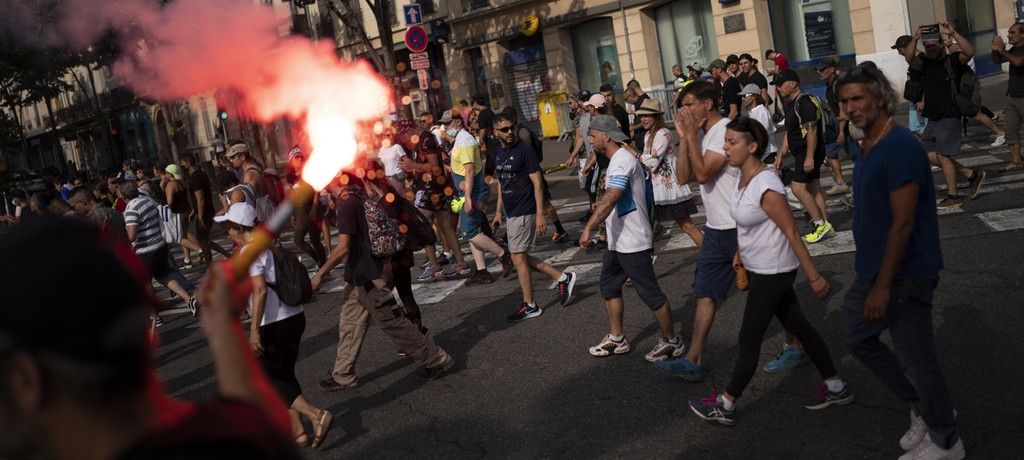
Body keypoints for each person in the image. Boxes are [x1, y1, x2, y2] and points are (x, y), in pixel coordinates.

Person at [0, 217, 302, 460]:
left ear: (26, 379)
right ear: (149, 341)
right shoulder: (241, 441)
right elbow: (254, 424)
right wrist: (224, 326)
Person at [687, 117, 853, 426]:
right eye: (725, 141)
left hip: (774, 271)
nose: (725, 146)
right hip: (760, 267)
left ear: (752, 147)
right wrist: (739, 252)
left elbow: (791, 232)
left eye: (732, 142)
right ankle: (835, 386)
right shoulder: (740, 177)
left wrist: (814, 277)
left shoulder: (766, 184)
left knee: (748, 338)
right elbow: (744, 222)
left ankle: (726, 404)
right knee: (801, 328)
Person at [837, 65, 965, 460]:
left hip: (905, 274)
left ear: (880, 98)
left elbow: (903, 222)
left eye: (857, 99)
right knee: (857, 338)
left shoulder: (901, 146)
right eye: (844, 102)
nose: (850, 108)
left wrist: (882, 285)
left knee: (917, 358)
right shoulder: (867, 145)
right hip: (872, 269)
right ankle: (929, 410)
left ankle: (947, 439)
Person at [310, 169, 456, 391]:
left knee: (393, 323)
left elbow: (343, 247)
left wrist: (320, 274)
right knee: (350, 323)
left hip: (368, 275)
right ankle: (343, 374)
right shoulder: (354, 195)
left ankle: (437, 359)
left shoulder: (347, 202)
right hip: (359, 275)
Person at [215, 203, 333, 449]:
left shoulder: (250, 252)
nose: (227, 234)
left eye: (228, 229)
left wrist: (254, 330)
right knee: (284, 375)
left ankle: (316, 415)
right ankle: (298, 432)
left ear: (239, 228)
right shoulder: (269, 245)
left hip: (275, 323)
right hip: (294, 317)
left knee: (264, 379)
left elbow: (259, 290)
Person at [579, 115, 683, 362]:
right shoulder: (617, 159)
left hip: (634, 240)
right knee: (609, 286)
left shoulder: (622, 160)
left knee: (650, 293)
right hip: (618, 240)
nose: (590, 140)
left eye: (592, 135)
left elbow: (613, 195)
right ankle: (618, 339)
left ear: (606, 136)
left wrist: (589, 227)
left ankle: (672, 342)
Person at [654, 79, 737, 381]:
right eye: (682, 107)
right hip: (716, 229)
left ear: (708, 103)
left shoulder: (725, 132)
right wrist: (685, 139)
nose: (684, 111)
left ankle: (798, 341)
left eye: (689, 105)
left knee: (770, 295)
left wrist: (690, 136)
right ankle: (694, 359)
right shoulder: (701, 134)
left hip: (740, 229)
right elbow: (684, 176)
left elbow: (702, 175)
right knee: (705, 293)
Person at [489, 113, 578, 321]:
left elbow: (537, 183)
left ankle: (530, 305)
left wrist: (539, 214)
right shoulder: (498, 152)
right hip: (511, 212)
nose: (510, 132)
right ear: (495, 132)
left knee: (518, 257)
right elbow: (502, 183)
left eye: (512, 127)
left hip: (525, 209)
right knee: (519, 257)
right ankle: (563, 277)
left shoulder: (524, 150)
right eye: (504, 129)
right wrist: (498, 212)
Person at [902, 21, 986, 209]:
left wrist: (953, 32)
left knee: (943, 154)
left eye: (933, 46)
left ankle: (953, 195)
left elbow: (970, 51)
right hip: (933, 117)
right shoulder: (924, 63)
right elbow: (909, 57)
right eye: (927, 46)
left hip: (950, 114)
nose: (930, 49)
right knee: (928, 155)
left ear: (941, 45)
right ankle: (971, 175)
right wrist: (915, 37)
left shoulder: (953, 61)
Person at [440, 117, 512, 285]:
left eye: (449, 123)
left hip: (473, 192)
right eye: (444, 124)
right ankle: (482, 271)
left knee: (468, 232)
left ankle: (503, 253)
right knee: (473, 231)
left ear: (458, 122)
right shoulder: (461, 139)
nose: (446, 127)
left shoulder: (463, 139)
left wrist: (467, 197)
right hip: (471, 191)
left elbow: (470, 169)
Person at [401, 114, 469, 281]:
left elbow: (434, 166)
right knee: (444, 225)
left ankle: (434, 265)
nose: (403, 139)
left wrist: (413, 166)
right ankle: (459, 262)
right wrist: (410, 170)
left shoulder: (426, 140)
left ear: (410, 129)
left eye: (403, 135)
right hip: (429, 187)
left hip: (430, 189)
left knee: (420, 224)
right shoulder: (417, 141)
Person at [120, 181, 198, 322]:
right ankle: (189, 299)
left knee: (145, 283)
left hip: (144, 251)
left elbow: (132, 236)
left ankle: (155, 316)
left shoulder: (131, 209)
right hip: (159, 245)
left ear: (123, 196)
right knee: (163, 276)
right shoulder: (148, 201)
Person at [773, 69, 834, 243]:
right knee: (814, 190)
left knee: (798, 189)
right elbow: (790, 132)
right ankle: (826, 226)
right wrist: (781, 154)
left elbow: (812, 129)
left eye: (781, 84)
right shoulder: (791, 103)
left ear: (793, 83)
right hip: (802, 150)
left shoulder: (804, 101)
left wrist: (809, 157)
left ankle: (819, 224)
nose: (778, 88)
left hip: (808, 150)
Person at [635, 99, 702, 248]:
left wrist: (633, 153)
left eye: (647, 116)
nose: (643, 119)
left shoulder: (663, 134)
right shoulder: (648, 135)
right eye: (641, 116)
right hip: (658, 190)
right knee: (649, 230)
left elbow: (652, 162)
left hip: (670, 190)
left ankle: (714, 259)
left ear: (656, 117)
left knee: (687, 227)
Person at [503, 105, 570, 242]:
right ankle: (510, 234)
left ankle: (560, 229)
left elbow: (527, 152)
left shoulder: (522, 132)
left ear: (514, 118)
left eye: (509, 119)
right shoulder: (517, 131)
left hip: (531, 172)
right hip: (524, 174)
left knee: (545, 203)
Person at [816, 56, 858, 196]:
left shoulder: (838, 84)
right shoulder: (832, 84)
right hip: (839, 127)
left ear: (832, 69)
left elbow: (843, 109)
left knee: (857, 157)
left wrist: (840, 132)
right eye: (818, 69)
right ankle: (841, 183)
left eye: (822, 69)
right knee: (831, 152)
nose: (819, 72)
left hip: (846, 127)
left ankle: (874, 179)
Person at [282, 147, 328, 268]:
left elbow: (317, 191)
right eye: (296, 157)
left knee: (315, 239)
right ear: (291, 160)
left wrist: (314, 208)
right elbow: (291, 194)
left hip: (312, 207)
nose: (299, 159)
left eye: (301, 157)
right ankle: (318, 259)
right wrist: (292, 213)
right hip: (300, 210)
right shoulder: (291, 176)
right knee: (298, 240)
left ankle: (324, 264)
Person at [181, 153, 230, 264]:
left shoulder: (195, 178)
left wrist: (200, 217)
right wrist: (194, 211)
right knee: (205, 240)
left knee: (203, 241)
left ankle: (210, 265)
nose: (181, 165)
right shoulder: (201, 174)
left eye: (183, 162)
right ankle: (227, 254)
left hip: (205, 212)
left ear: (188, 163)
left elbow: (201, 199)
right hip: (205, 210)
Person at [157, 162, 203, 269]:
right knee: (184, 235)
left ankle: (201, 251)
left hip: (177, 214)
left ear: (170, 174)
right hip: (186, 210)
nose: (165, 175)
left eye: (166, 173)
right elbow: (187, 198)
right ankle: (187, 260)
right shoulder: (182, 183)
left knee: (179, 237)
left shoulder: (170, 185)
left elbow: (169, 202)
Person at [992, 22, 1024, 171]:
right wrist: (995, 50)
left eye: (1012, 33)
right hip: (1012, 97)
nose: (1008, 35)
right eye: (1009, 32)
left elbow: (1018, 62)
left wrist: (1002, 49)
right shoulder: (1014, 49)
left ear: (1022, 35)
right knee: (1010, 130)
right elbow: (998, 60)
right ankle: (1015, 161)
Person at [738, 84, 778, 162]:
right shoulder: (752, 112)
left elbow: (761, 134)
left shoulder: (761, 112)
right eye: (742, 96)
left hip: (767, 156)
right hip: (760, 156)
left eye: (745, 95)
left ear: (754, 96)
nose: (743, 99)